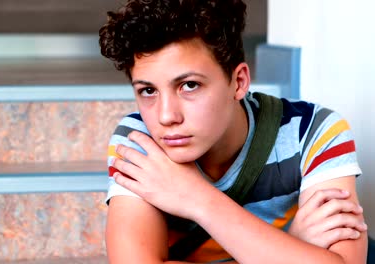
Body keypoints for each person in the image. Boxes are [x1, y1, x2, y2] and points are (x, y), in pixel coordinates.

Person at [99, 0, 368, 263]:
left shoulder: (313, 130)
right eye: (148, 91)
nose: (166, 116)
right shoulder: (140, 142)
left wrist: (197, 197)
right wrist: (292, 247)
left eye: (190, 85)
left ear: (239, 82)